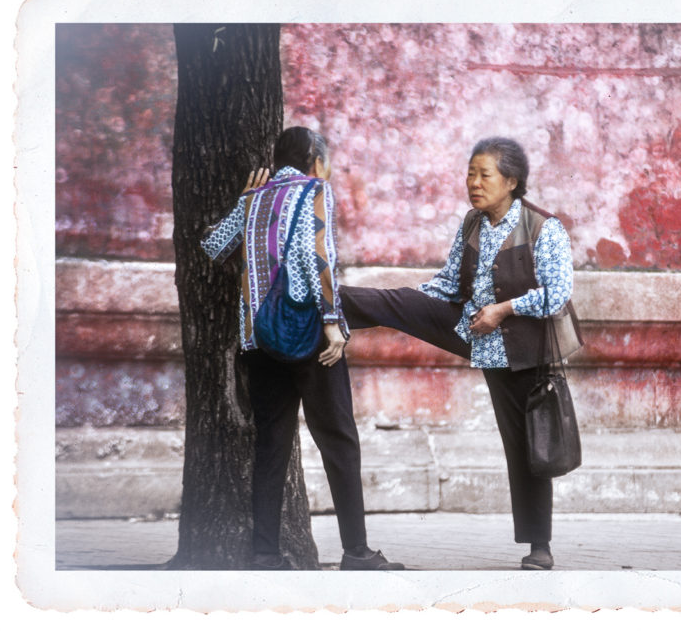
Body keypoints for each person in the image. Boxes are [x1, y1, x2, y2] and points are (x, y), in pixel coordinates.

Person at [341, 136, 583, 570]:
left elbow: (558, 294)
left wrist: (503, 309)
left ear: (511, 180)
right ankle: (331, 305)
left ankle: (539, 546)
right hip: (473, 329)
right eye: (470, 173)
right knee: (404, 301)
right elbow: (450, 282)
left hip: (523, 350)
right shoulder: (472, 222)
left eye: (483, 174)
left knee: (526, 449)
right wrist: (418, 302)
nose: (473, 182)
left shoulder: (544, 227)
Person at [200, 126, 402, 571]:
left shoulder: (254, 199)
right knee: (339, 440)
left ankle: (265, 554)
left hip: (258, 339)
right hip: (308, 335)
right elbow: (320, 257)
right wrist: (333, 323)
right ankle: (356, 552)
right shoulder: (315, 189)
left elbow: (214, 246)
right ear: (314, 158)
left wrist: (243, 204)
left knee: (272, 443)